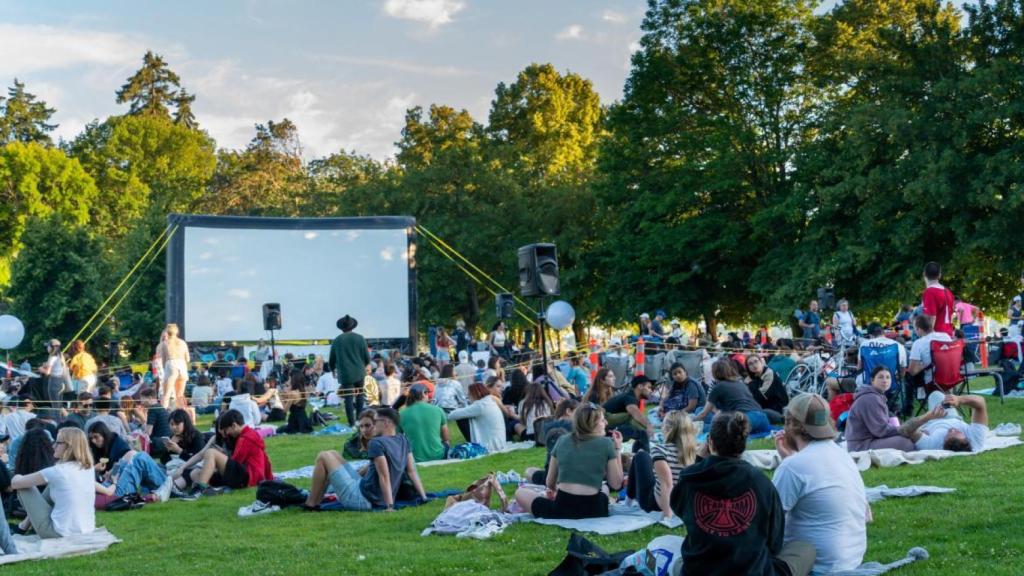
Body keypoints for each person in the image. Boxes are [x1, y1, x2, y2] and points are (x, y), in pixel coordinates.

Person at [671, 412, 815, 576]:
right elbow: (774, 543)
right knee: (805, 549)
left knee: (675, 554)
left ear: (709, 442)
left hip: (700, 570)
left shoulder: (690, 479)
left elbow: (677, 506)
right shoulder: (762, 484)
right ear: (744, 444)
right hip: (751, 570)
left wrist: (699, 460)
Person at [773, 394, 867, 573]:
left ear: (791, 424)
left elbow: (768, 522)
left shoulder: (793, 467)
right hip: (851, 560)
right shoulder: (841, 455)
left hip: (818, 567)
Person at [302, 407, 426, 511]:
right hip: (369, 492)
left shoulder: (376, 443)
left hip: (363, 499)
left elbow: (384, 476)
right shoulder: (403, 440)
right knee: (332, 453)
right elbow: (412, 471)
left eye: (375, 421)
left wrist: (390, 507)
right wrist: (424, 497)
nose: (373, 425)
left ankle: (311, 504)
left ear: (386, 423)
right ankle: (316, 500)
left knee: (323, 455)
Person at [514, 402, 624, 520]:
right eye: (603, 420)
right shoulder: (606, 443)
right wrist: (617, 449)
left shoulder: (562, 440)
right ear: (591, 423)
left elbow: (550, 482)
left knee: (520, 493)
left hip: (562, 509)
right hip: (595, 510)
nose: (606, 423)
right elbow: (616, 484)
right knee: (605, 488)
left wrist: (555, 492)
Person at [10, 427, 95, 538]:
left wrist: (16, 476)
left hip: (57, 533)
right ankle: (23, 527)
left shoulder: (58, 471)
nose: (53, 446)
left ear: (69, 446)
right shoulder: (88, 468)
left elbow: (15, 484)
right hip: (86, 529)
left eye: (58, 443)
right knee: (52, 485)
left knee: (22, 484)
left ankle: (23, 527)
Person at [180, 410, 272, 495]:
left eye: (227, 430)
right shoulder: (245, 435)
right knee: (195, 473)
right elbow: (202, 454)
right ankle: (210, 490)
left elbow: (236, 461)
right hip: (243, 474)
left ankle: (201, 489)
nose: (227, 433)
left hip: (249, 477)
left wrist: (219, 460)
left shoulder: (246, 438)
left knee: (211, 452)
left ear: (234, 425)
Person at [625, 410, 697, 520]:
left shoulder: (660, 450)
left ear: (668, 429)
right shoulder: (694, 452)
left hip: (655, 503)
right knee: (644, 453)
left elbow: (667, 483)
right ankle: (628, 500)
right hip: (682, 503)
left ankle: (628, 501)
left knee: (640, 455)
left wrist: (667, 514)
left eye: (663, 424)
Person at [845, 366, 916, 452]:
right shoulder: (870, 398)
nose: (885, 380)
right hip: (861, 445)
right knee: (905, 443)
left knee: (909, 437)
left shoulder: (876, 396)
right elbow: (881, 431)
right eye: (880, 377)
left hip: (872, 439)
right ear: (872, 380)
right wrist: (903, 430)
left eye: (888, 377)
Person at [694, 358, 772, 435]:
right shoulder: (741, 384)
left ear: (714, 372)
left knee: (708, 426)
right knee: (700, 410)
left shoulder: (718, 387)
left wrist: (691, 423)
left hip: (745, 420)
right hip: (763, 419)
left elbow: (703, 414)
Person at [901, 392, 989, 452]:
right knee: (937, 395)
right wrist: (959, 400)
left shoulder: (932, 445)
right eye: (957, 431)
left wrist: (927, 417)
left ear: (944, 442)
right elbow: (981, 402)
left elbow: (905, 429)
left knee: (934, 394)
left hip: (931, 422)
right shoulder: (976, 440)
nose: (952, 429)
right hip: (951, 416)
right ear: (966, 439)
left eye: (950, 432)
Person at [523, 399, 577, 484]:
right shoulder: (576, 426)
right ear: (568, 411)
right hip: (574, 474)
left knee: (529, 471)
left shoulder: (547, 425)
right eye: (577, 413)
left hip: (552, 475)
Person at [906, 314, 954, 410]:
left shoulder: (918, 343)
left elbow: (912, 371)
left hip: (933, 381)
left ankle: (908, 408)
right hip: (952, 377)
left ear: (919, 329)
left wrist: (923, 365)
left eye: (915, 329)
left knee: (907, 376)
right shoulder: (946, 336)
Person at [330, 314, 371, 426]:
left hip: (345, 373)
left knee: (348, 397)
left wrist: (332, 369)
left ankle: (351, 423)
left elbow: (332, 359)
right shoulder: (360, 338)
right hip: (359, 372)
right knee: (360, 395)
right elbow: (367, 358)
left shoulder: (337, 340)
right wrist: (365, 364)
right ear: (353, 326)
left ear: (341, 327)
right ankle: (359, 420)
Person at [93, 449, 171, 506]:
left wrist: (97, 469)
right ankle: (165, 487)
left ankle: (161, 487)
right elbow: (108, 492)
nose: (93, 440)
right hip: (114, 492)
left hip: (106, 483)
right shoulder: (82, 478)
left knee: (130, 453)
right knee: (140, 458)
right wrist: (114, 481)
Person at [447, 383, 507, 452]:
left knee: (461, 419)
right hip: (500, 442)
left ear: (474, 394)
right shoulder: (489, 401)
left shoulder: (480, 405)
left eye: (469, 394)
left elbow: (452, 416)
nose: (468, 397)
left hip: (491, 445)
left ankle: (472, 444)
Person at [603, 375, 654, 452]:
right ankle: (644, 454)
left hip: (606, 425)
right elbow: (634, 413)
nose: (651, 391)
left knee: (638, 431)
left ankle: (640, 452)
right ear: (640, 386)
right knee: (637, 428)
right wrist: (648, 426)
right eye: (649, 387)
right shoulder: (630, 397)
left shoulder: (631, 397)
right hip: (604, 425)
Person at [399, 385, 449, 461]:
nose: (429, 396)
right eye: (428, 393)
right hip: (438, 455)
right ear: (424, 394)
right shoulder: (438, 410)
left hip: (414, 457)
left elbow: (396, 438)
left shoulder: (402, 414)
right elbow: (446, 438)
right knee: (446, 444)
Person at [156, 323, 190, 409]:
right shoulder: (183, 342)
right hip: (182, 365)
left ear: (167, 332)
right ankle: (181, 415)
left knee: (166, 394)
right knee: (180, 395)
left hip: (171, 364)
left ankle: (163, 415)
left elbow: (163, 360)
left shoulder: (165, 343)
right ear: (177, 332)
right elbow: (188, 359)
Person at [37, 339, 69, 419]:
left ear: (52, 347)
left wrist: (41, 369)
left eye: (48, 346)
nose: (47, 348)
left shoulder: (52, 357)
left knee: (55, 406)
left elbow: (47, 372)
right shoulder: (61, 355)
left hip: (54, 382)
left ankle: (57, 423)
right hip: (61, 382)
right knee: (59, 405)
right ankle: (64, 420)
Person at [921, 262, 955, 337]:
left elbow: (931, 318)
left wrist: (926, 337)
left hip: (937, 337)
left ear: (924, 274)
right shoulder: (948, 291)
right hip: (949, 334)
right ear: (939, 275)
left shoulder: (930, 292)